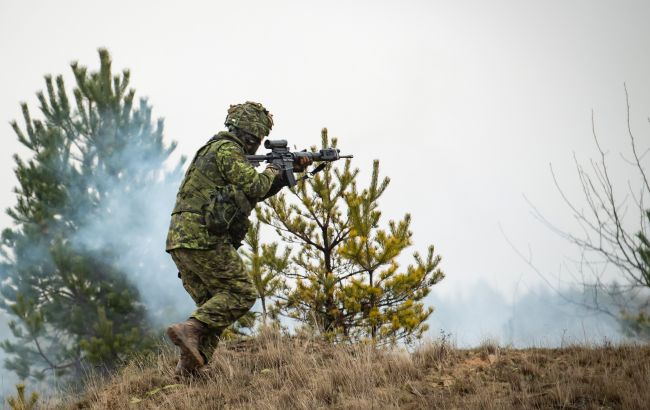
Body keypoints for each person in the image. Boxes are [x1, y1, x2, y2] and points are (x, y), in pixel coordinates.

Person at [165, 101, 310, 375]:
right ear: (251, 134)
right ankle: (189, 329)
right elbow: (256, 184)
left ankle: (187, 371)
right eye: (257, 139)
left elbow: (251, 192)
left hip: (181, 241)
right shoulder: (228, 150)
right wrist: (274, 169)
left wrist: (285, 172)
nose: (257, 145)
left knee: (215, 309)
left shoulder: (215, 150)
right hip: (201, 238)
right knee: (241, 294)